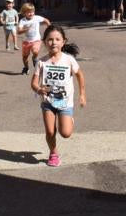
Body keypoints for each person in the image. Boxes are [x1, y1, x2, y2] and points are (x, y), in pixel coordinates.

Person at [30, 24, 86, 167]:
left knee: (65, 133)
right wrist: (39, 90)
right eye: (50, 39)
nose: (53, 42)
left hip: (65, 102)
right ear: (44, 42)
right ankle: (53, 153)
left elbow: (80, 75)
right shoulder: (42, 62)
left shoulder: (69, 60)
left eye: (57, 39)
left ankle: (69, 121)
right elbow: (34, 83)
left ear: (63, 42)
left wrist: (82, 94)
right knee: (50, 131)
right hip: (48, 102)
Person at [17, 3, 51, 74]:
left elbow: (46, 20)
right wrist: (25, 30)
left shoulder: (37, 18)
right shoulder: (23, 21)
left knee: (35, 51)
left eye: (32, 12)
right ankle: (26, 68)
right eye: (28, 12)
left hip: (36, 40)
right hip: (26, 42)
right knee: (25, 57)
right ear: (24, 13)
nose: (31, 13)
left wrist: (50, 27)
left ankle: (34, 58)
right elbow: (19, 31)